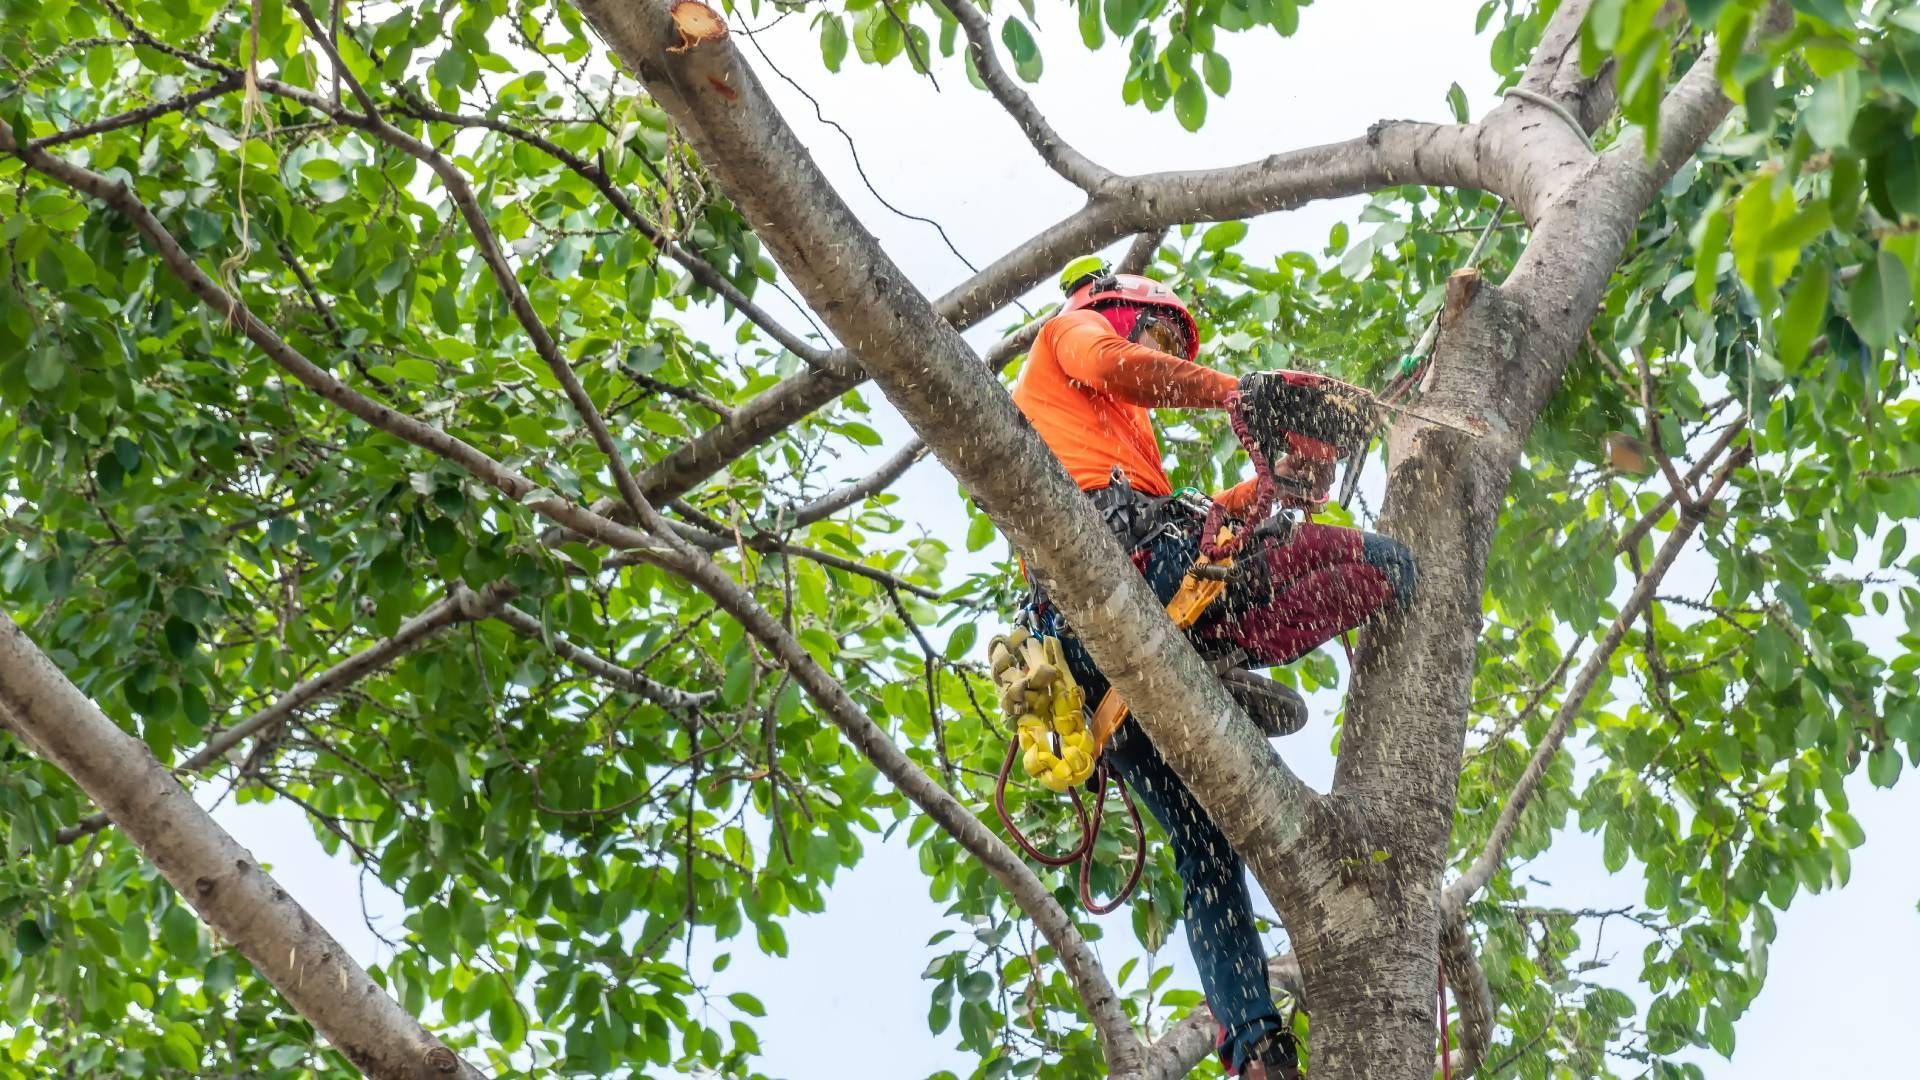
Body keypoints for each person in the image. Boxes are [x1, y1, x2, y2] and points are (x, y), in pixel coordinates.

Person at [1008, 261, 1417, 1080]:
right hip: (1121, 579)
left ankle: (1254, 1048)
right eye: (1160, 334)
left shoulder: (1119, 441)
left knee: (1207, 853)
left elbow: (1212, 524)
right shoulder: (1070, 337)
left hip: (1116, 658)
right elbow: (1120, 365)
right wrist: (1238, 393)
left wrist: (1274, 487)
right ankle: (1218, 651)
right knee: (1383, 563)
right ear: (1119, 310)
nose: (1162, 352)